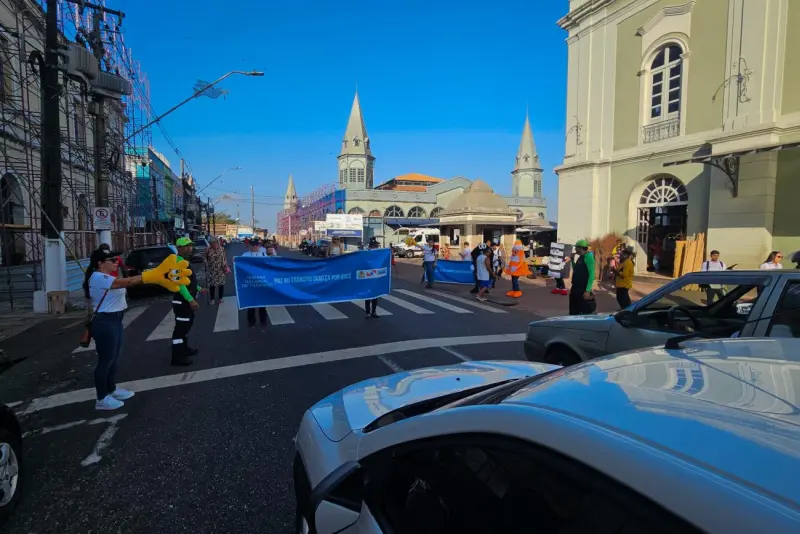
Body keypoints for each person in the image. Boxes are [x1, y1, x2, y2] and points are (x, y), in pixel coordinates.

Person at [83, 246, 191, 410]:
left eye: (116, 259)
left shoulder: (106, 275)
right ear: (100, 263)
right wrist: (153, 275)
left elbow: (127, 282)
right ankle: (101, 398)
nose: (116, 262)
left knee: (114, 359)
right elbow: (128, 282)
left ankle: (111, 389)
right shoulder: (98, 277)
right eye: (112, 260)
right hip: (105, 322)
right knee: (105, 361)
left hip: (116, 320)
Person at [171, 237, 205, 366]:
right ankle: (177, 357)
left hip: (186, 300)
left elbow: (187, 281)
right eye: (186, 246)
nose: (189, 248)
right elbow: (179, 284)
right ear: (179, 248)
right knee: (180, 329)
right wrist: (190, 299)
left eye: (190, 245)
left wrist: (198, 288)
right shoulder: (176, 262)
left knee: (187, 326)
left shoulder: (184, 261)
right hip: (182, 302)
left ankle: (184, 349)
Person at [242, 237, 268, 327]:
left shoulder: (264, 254)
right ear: (250, 245)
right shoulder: (245, 255)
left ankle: (263, 320)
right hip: (250, 283)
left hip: (261, 283)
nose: (255, 246)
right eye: (253, 244)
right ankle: (251, 322)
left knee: (262, 304)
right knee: (251, 304)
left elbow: (271, 264)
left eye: (257, 244)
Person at [569, 239, 596, 316]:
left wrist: (587, 290)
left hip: (582, 288)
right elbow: (576, 270)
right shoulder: (581, 257)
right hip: (575, 287)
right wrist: (572, 260)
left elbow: (591, 274)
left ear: (580, 248)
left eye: (576, 247)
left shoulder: (588, 257)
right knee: (573, 310)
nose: (575, 249)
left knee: (583, 311)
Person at [205, 237, 228, 305]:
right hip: (212, 270)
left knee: (221, 284)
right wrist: (205, 261)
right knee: (212, 285)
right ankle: (212, 299)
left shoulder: (222, 249)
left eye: (216, 242)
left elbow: (224, 257)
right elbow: (205, 258)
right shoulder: (208, 249)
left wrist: (225, 265)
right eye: (213, 243)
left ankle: (220, 298)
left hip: (221, 269)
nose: (215, 244)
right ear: (210, 244)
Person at [365, 239, 381, 318]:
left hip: (376, 277)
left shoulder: (379, 254)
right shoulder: (367, 254)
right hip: (368, 277)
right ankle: (367, 312)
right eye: (375, 246)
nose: (376, 247)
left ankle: (373, 311)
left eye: (377, 246)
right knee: (368, 295)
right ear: (371, 246)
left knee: (375, 295)